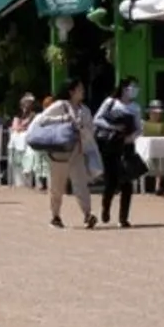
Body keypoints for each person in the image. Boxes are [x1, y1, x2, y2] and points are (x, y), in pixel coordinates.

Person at [38, 81, 98, 229]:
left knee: (81, 184)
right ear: (71, 91)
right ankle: (55, 216)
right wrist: (62, 119)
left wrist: (83, 130)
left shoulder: (85, 110)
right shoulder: (60, 106)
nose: (83, 91)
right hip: (59, 152)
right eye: (80, 89)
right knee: (57, 186)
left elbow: (91, 129)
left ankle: (87, 214)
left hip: (77, 151)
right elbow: (42, 120)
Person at [92, 77, 144, 228]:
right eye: (131, 87)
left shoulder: (135, 107)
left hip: (127, 146)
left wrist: (131, 137)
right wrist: (114, 128)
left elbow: (138, 127)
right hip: (110, 145)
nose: (134, 90)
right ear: (124, 88)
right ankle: (106, 207)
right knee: (111, 181)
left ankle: (123, 217)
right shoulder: (111, 102)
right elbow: (97, 119)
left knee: (127, 181)